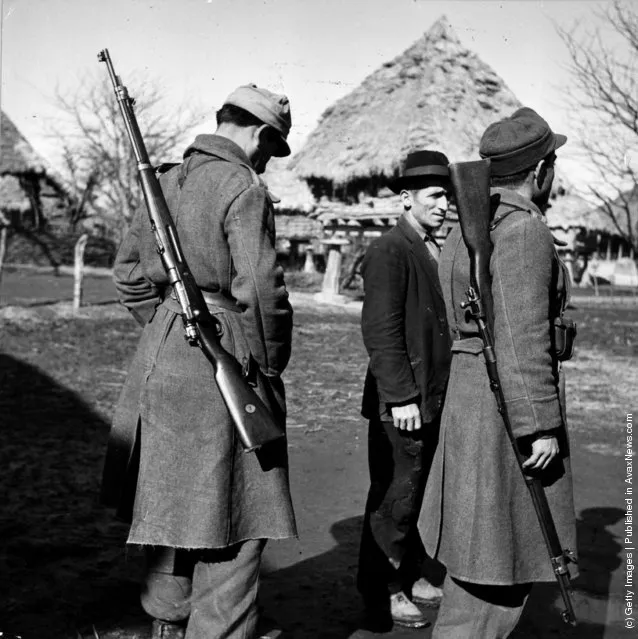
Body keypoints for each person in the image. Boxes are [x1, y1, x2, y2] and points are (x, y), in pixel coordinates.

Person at [100, 84, 296, 639]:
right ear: (260, 134)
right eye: (270, 148)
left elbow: (129, 275)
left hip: (160, 356)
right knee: (237, 516)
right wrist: (268, 362)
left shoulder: (161, 179)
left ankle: (167, 624)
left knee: (169, 502)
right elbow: (259, 288)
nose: (266, 162)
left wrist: (166, 327)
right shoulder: (242, 185)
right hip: (225, 350)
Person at [419, 107, 578, 638]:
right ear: (540, 170)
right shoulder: (524, 231)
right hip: (507, 408)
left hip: (472, 396)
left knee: (478, 557)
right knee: (499, 567)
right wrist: (540, 423)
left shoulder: (468, 226)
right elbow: (520, 335)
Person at [358, 150, 453, 629]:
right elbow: (381, 332)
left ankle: (411, 574)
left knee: (418, 493)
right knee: (394, 498)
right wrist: (400, 398)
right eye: (435, 196)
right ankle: (384, 588)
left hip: (432, 398)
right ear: (405, 198)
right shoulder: (390, 251)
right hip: (403, 402)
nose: (443, 205)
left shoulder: (436, 249)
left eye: (447, 197)